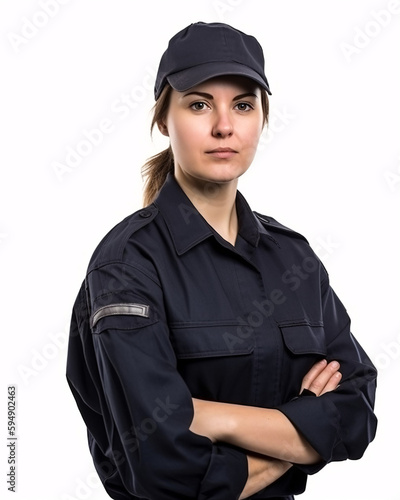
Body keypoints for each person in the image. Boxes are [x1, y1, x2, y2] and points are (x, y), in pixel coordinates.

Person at [66, 22, 377, 500]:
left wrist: (214, 416)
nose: (224, 126)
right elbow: (162, 469)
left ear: (261, 119)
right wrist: (303, 437)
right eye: (198, 104)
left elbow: (357, 411)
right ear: (162, 120)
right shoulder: (126, 266)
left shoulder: (293, 258)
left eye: (243, 104)